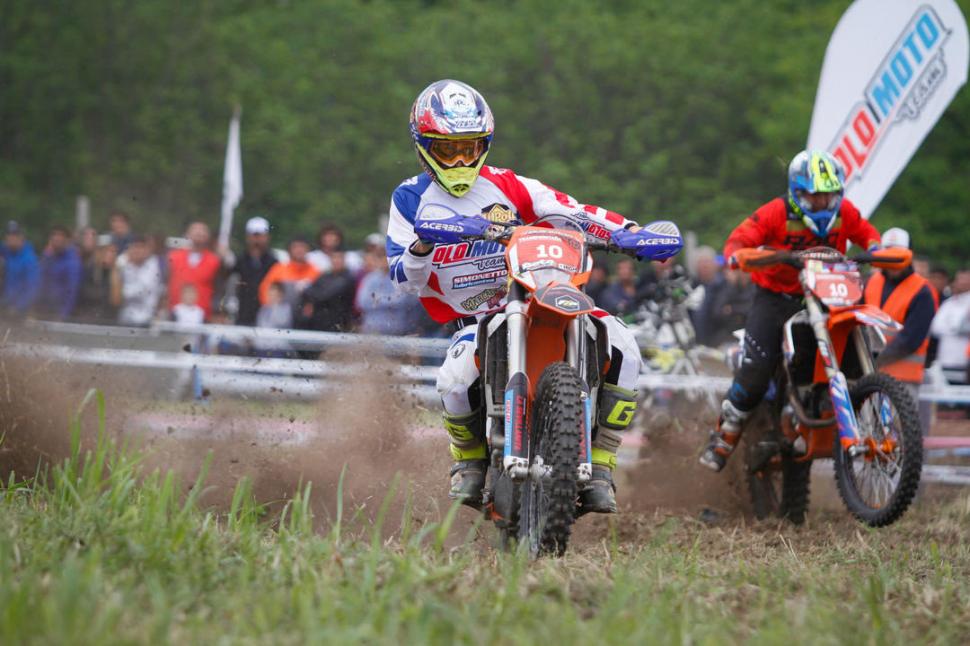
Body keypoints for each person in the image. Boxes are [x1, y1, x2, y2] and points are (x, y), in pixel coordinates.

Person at [386, 79, 682, 512]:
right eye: (449, 150)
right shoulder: (410, 198)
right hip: (475, 318)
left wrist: (631, 234)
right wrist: (422, 245)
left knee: (624, 344)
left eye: (471, 147)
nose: (462, 159)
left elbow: (574, 211)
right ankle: (468, 462)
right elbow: (403, 280)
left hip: (539, 297)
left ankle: (602, 460)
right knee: (453, 379)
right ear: (424, 146)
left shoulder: (510, 185)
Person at [699, 150, 881, 472]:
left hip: (828, 294)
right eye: (814, 196)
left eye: (828, 195)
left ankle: (861, 404)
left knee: (857, 340)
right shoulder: (775, 212)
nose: (822, 203)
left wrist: (878, 249)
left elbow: (866, 233)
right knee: (758, 368)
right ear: (797, 193)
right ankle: (724, 435)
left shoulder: (845, 213)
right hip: (777, 298)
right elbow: (740, 239)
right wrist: (738, 255)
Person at [862, 227, 937, 434]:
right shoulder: (870, 283)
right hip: (870, 376)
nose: (893, 264)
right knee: (870, 434)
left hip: (904, 379)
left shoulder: (922, 290)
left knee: (900, 435)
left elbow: (912, 338)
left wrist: (877, 360)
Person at [355, 247, 423, 335]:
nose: (384, 262)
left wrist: (377, 298)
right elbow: (362, 302)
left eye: (387, 259)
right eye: (381, 258)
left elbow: (402, 301)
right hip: (372, 330)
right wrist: (390, 298)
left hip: (398, 330)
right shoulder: (369, 279)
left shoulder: (402, 278)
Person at [229, 216, 278, 326]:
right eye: (254, 235)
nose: (257, 240)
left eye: (260, 236)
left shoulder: (274, 263)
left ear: (267, 237)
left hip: (266, 317)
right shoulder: (239, 261)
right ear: (248, 237)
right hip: (242, 316)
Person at [167, 222, 222, 321]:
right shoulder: (174, 256)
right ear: (187, 234)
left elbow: (219, 288)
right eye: (196, 230)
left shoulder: (214, 260)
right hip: (176, 313)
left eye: (203, 231)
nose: (199, 233)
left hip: (202, 315)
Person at [298, 249, 357, 332]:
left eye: (339, 258)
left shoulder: (348, 278)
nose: (336, 261)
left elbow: (324, 295)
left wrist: (308, 291)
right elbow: (310, 290)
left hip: (338, 323)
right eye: (334, 258)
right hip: (318, 321)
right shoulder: (325, 276)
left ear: (344, 260)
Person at [929, 269, 970, 386]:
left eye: (966, 280)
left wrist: (953, 328)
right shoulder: (949, 303)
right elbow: (936, 327)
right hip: (945, 360)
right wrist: (955, 329)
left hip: (965, 363)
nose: (962, 283)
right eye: (960, 279)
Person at [112, 235, 163, 327]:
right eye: (135, 247)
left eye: (141, 247)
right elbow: (115, 299)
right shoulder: (123, 261)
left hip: (147, 320)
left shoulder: (153, 264)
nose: (138, 251)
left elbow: (137, 292)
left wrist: (118, 286)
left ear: (147, 250)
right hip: (125, 319)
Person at [36, 225, 83, 321]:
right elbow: (40, 283)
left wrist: (63, 314)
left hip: (62, 314)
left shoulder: (72, 261)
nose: (57, 238)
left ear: (67, 240)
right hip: (45, 310)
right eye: (54, 234)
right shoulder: (47, 258)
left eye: (60, 235)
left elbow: (72, 291)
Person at [258, 237, 320, 307]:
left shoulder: (315, 271)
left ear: (308, 249)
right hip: (282, 314)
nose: (299, 250)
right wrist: (270, 307)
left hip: (306, 316)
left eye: (302, 247)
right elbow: (264, 289)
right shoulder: (279, 269)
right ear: (289, 250)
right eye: (295, 247)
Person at [0, 221, 40, 318]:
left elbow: (32, 289)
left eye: (14, 235)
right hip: (7, 303)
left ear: (21, 237)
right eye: (8, 235)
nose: (11, 238)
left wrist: (18, 307)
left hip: (22, 310)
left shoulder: (29, 259)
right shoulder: (8, 251)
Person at [254, 282, 294, 357]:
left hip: (277, 349)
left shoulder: (286, 308)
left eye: (274, 295)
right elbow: (260, 327)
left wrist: (275, 306)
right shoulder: (263, 309)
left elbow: (281, 322)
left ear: (280, 295)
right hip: (262, 348)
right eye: (270, 294)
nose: (271, 297)